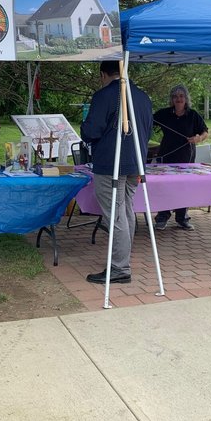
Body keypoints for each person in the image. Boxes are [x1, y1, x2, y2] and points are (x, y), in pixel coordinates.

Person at [81, 61, 152, 284]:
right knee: (127, 210)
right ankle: (122, 261)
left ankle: (120, 266)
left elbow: (92, 131)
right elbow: (148, 130)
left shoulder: (105, 95)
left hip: (112, 163)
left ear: (104, 74)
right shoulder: (142, 96)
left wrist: (84, 128)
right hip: (135, 162)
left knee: (116, 214)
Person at [152, 84, 208, 230]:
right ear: (172, 99)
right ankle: (162, 216)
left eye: (181, 96)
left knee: (183, 186)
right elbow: (147, 122)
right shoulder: (164, 114)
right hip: (166, 154)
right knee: (165, 186)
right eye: (175, 96)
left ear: (186, 99)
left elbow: (205, 132)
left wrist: (198, 139)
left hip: (186, 156)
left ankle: (182, 217)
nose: (178, 99)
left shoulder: (193, 115)